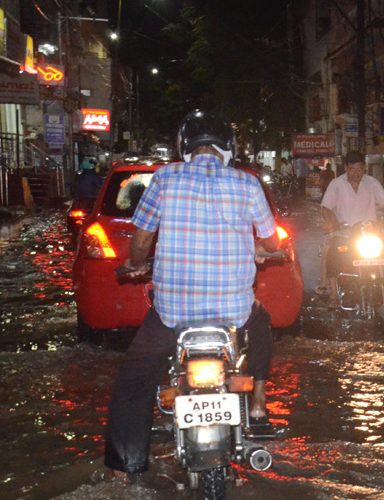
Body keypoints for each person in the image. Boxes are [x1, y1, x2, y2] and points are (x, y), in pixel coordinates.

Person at [103, 109, 280, 475]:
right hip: (233, 312)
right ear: (227, 147)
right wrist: (259, 249)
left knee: (133, 383)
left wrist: (137, 262)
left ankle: (125, 468)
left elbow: (142, 238)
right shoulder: (247, 184)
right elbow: (270, 239)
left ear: (184, 146)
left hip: (173, 314)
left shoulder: (166, 178)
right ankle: (259, 401)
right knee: (261, 320)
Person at [320, 150, 384, 305]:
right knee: (333, 255)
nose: (355, 173)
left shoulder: (372, 183)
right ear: (346, 168)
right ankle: (333, 293)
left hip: (369, 234)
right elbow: (326, 207)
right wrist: (330, 221)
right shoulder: (336, 184)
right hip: (345, 233)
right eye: (352, 169)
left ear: (364, 168)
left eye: (359, 169)